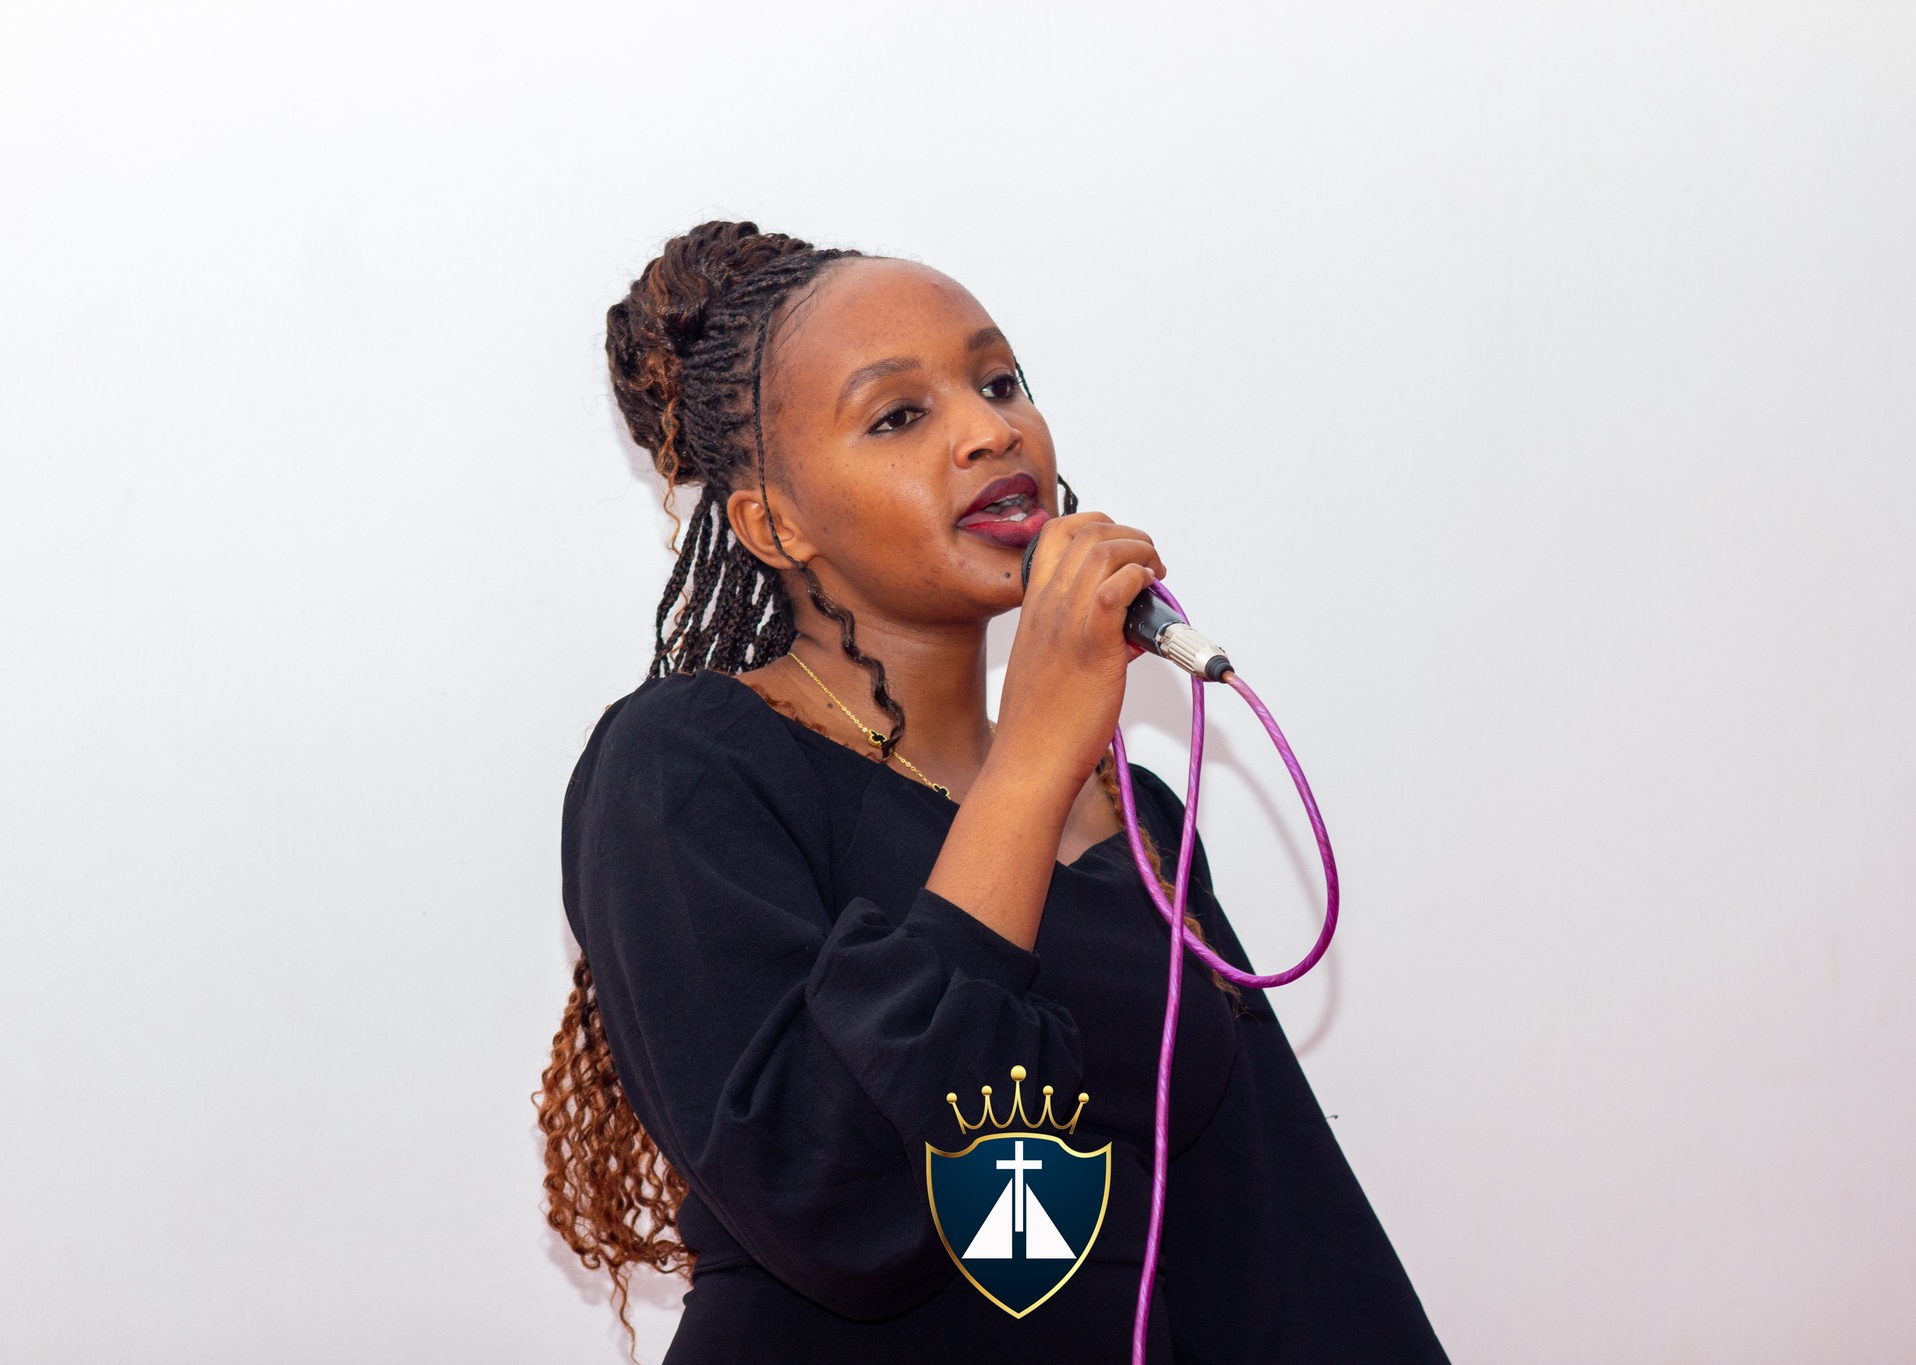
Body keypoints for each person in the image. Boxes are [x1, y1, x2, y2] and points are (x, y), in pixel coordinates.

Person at [539, 220, 1450, 1365]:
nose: (989, 430)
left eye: (999, 381)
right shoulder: (685, 764)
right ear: (774, 524)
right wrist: (1030, 762)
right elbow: (829, 1198)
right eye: (897, 415)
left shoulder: (1133, 818)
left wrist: (1048, 763)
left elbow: (1272, 1239)